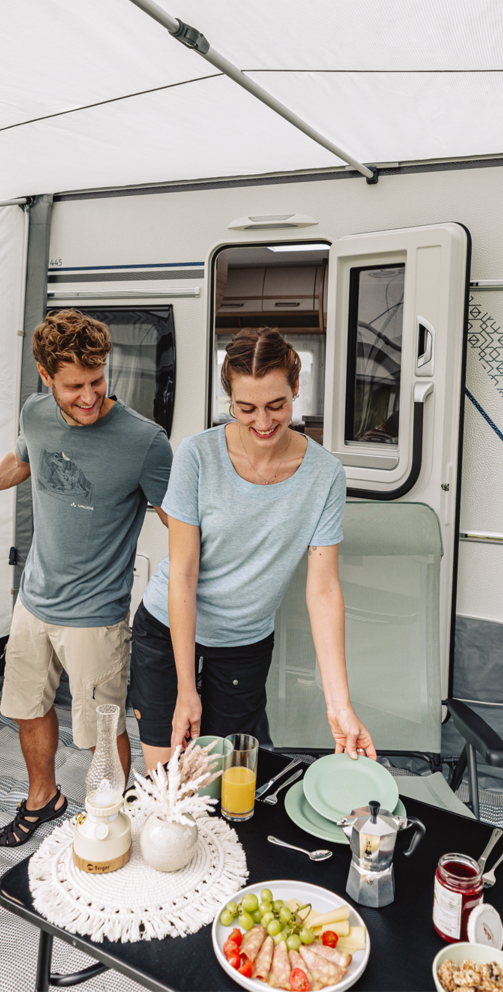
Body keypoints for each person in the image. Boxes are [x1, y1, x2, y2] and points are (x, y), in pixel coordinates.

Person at [0, 309, 172, 846]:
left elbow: (179, 519)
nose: (88, 397)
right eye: (73, 386)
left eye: (97, 382)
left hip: (96, 616)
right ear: (46, 376)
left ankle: (110, 821)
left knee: (100, 735)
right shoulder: (36, 413)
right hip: (34, 601)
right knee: (25, 708)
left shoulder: (145, 441)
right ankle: (44, 798)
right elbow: (22, 462)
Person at [131, 327, 376, 768]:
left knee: (221, 777)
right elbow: (183, 573)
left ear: (296, 389)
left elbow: (323, 590)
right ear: (229, 399)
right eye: (246, 408)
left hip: (244, 642)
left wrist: (340, 705)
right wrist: (187, 690)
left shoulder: (325, 475)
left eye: (276, 405)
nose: (263, 422)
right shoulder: (197, 456)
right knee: (166, 780)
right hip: (168, 630)